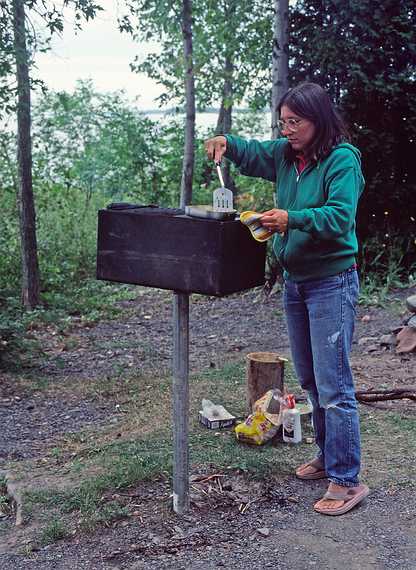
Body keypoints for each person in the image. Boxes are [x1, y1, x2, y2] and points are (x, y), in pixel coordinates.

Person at [205, 82, 369, 516]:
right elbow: (254, 151)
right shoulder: (284, 154)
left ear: (319, 119)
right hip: (297, 283)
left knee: (335, 386)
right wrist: (227, 142)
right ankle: (327, 458)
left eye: (295, 122)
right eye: (283, 123)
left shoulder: (342, 160)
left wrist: (290, 218)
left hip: (332, 282)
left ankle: (347, 479)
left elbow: (339, 216)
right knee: (312, 380)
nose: (287, 130)